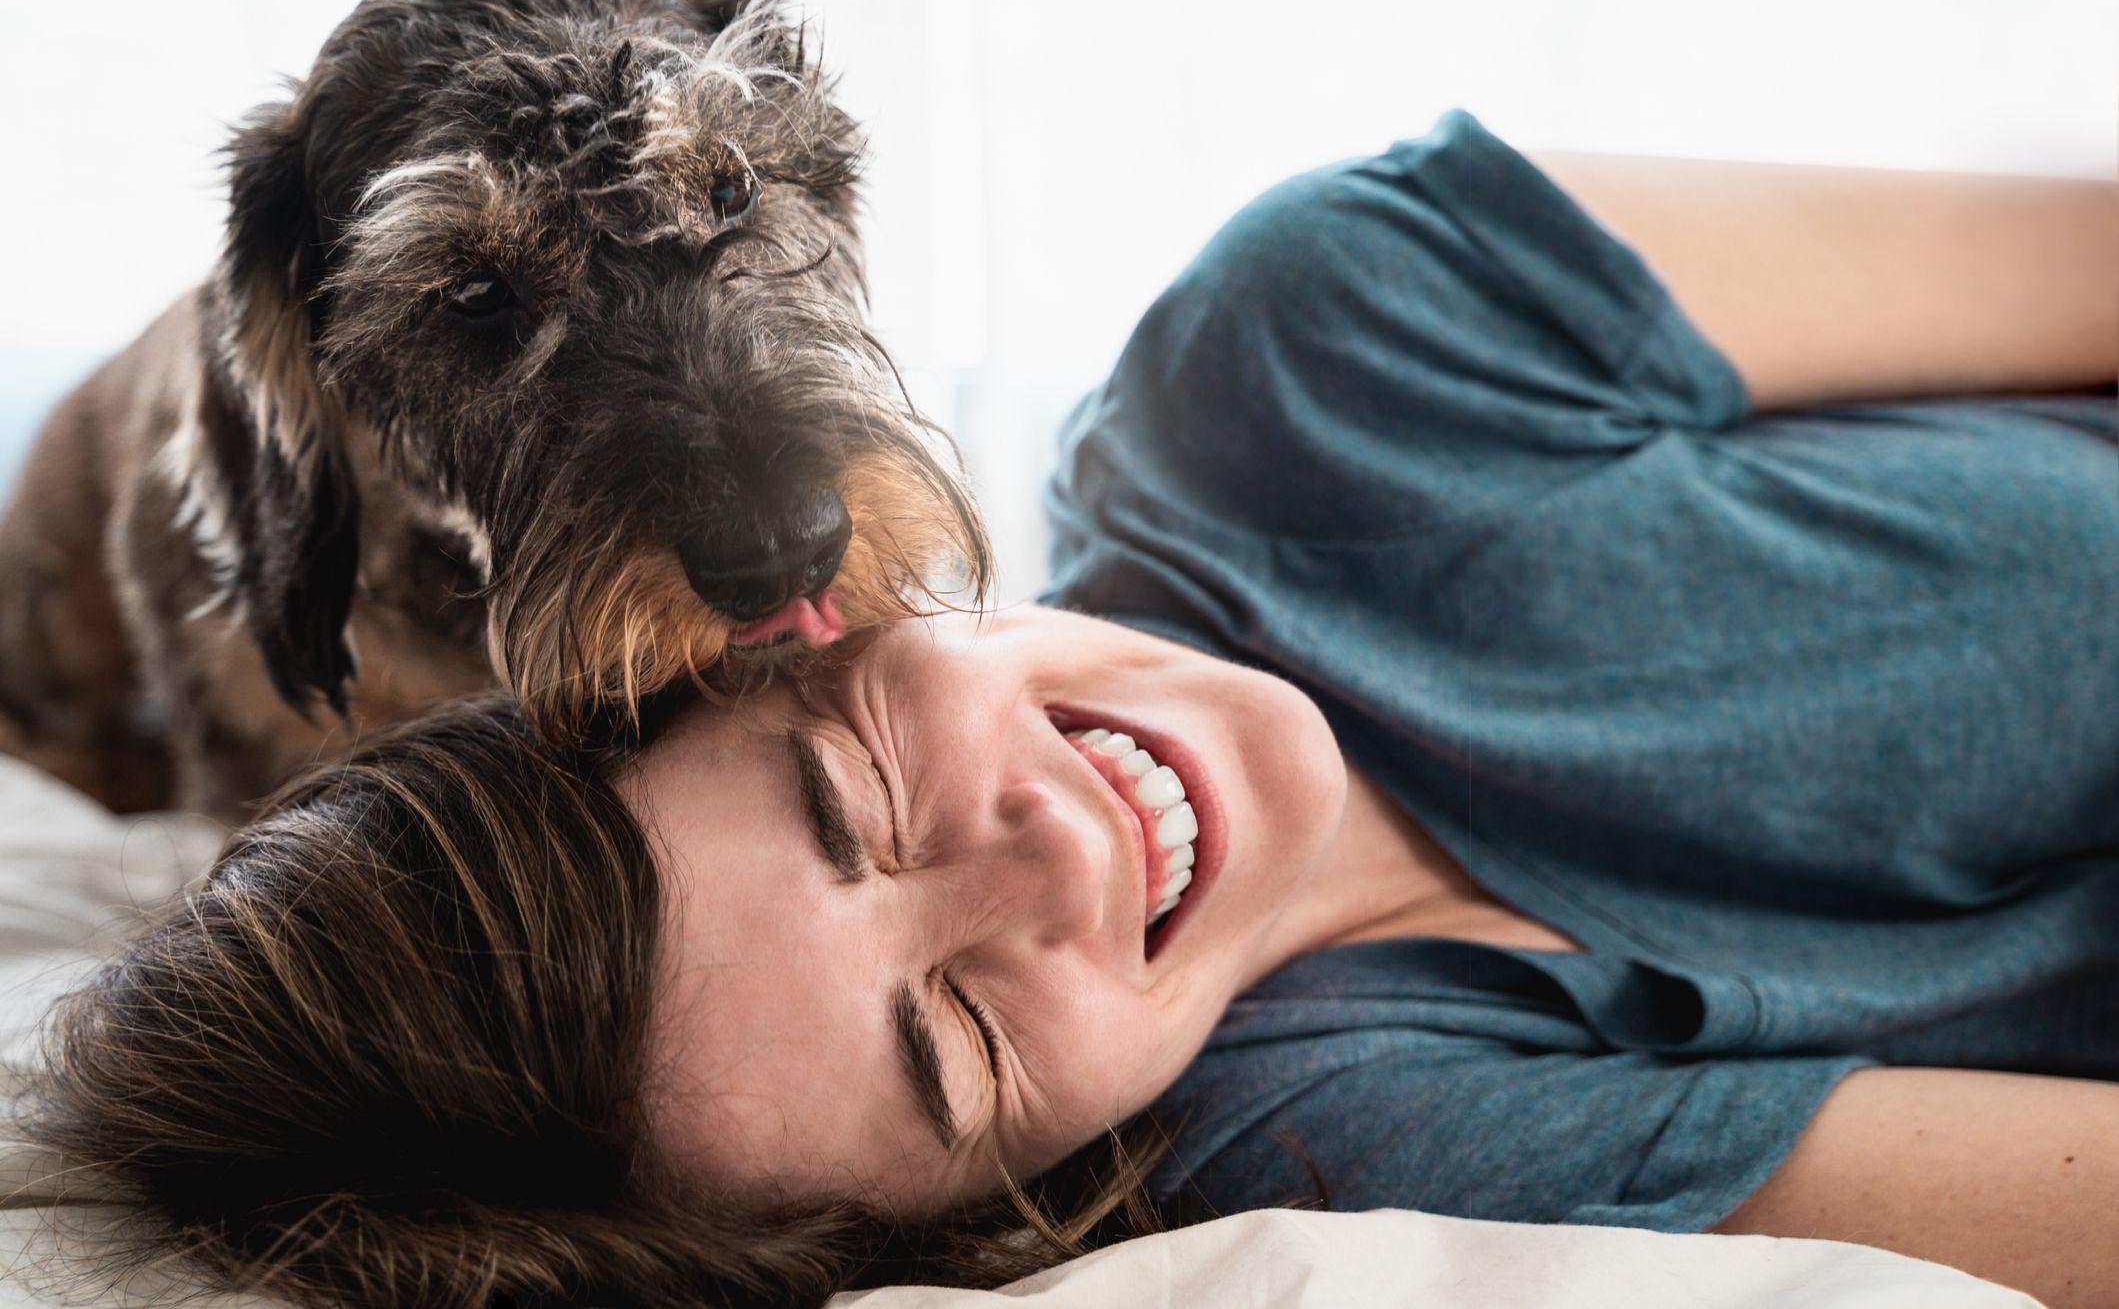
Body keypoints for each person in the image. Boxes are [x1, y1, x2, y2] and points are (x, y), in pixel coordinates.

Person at [20, 112, 2117, 1309]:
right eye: (951, 1039)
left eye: (854, 801)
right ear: (978, 1206)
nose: (1044, 866)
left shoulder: (1327, 350)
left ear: (785, 630)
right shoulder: (1348, 1136)